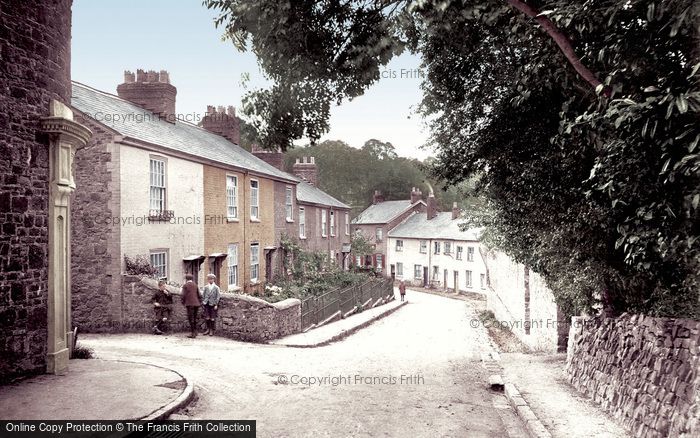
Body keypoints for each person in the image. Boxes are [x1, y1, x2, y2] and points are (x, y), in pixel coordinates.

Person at [181, 274, 201, 338]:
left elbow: (183, 295)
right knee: (195, 318)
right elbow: (199, 295)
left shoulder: (185, 285)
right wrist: (199, 302)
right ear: (192, 279)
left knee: (191, 318)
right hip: (196, 304)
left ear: (186, 279)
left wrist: (183, 302)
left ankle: (192, 333)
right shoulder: (195, 285)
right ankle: (195, 331)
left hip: (190, 304)